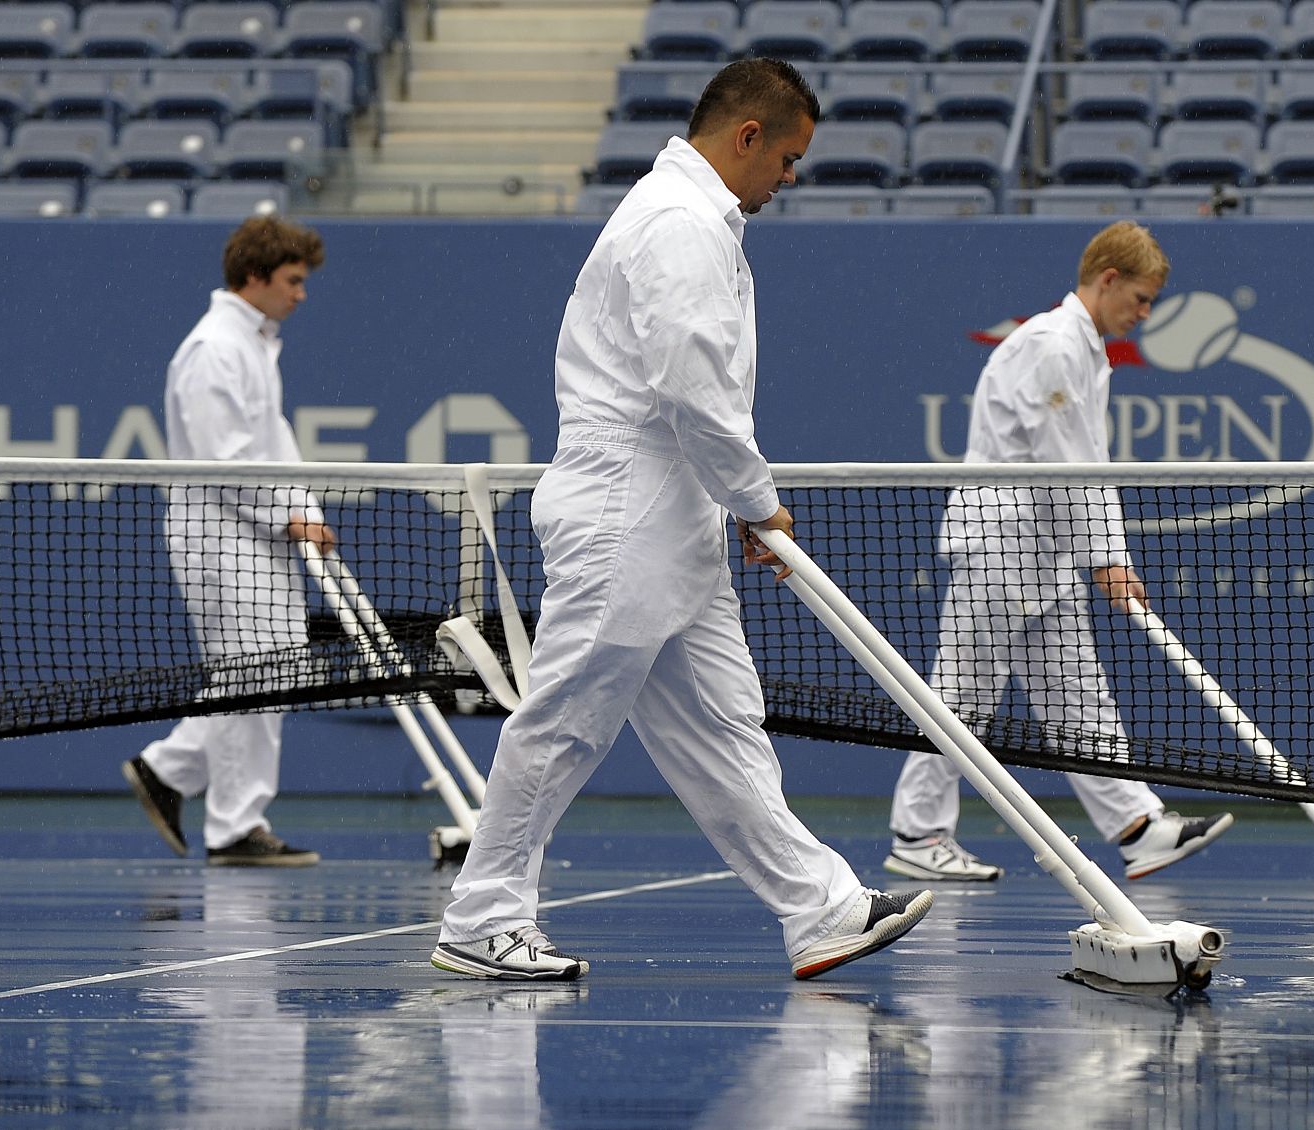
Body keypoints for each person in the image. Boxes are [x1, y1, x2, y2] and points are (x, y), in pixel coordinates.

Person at [431, 58, 933, 983]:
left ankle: (818, 908)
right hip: (627, 514)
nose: (790, 178)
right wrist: (754, 496)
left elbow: (697, 396)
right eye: (787, 158)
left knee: (723, 724)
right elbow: (689, 386)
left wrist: (727, 497)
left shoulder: (699, 220)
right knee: (568, 718)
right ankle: (482, 914)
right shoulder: (676, 223)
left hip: (677, 516)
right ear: (748, 137)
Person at [885, 221, 1233, 884]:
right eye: (1141, 297)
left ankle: (1138, 829)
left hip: (1044, 551)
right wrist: (1106, 554)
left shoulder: (1083, 348)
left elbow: (1081, 465)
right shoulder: (1052, 344)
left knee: (1078, 696)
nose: (1146, 313)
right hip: (1001, 545)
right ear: (1107, 281)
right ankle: (918, 833)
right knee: (962, 696)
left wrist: (1096, 551)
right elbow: (1065, 464)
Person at [123, 216, 331, 868]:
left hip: (254, 532)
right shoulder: (216, 349)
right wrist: (288, 516)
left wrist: (303, 507)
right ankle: (233, 825)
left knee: (277, 668)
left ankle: (168, 768)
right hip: (218, 537)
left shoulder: (253, 344)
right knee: (255, 676)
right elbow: (225, 459)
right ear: (255, 276)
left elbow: (271, 442)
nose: (301, 295)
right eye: (293, 281)